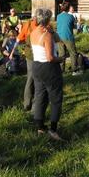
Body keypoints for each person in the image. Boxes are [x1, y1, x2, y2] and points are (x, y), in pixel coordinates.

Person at [30, 8, 64, 140]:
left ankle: (40, 126)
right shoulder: (47, 35)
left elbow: (57, 38)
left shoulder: (34, 32)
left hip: (36, 66)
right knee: (55, 98)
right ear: (48, 19)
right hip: (49, 67)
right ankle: (53, 129)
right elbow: (50, 57)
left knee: (40, 96)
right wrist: (61, 59)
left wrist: (52, 31)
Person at [17, 15, 38, 111]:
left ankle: (27, 104)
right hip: (40, 54)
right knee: (38, 79)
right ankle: (35, 105)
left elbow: (19, 39)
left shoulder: (28, 24)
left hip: (30, 54)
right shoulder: (46, 26)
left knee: (30, 78)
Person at [57, 3, 82, 75]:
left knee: (61, 54)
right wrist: (79, 22)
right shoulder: (71, 17)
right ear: (68, 8)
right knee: (73, 53)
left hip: (59, 37)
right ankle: (74, 70)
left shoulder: (58, 16)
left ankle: (61, 71)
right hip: (68, 36)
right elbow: (75, 27)